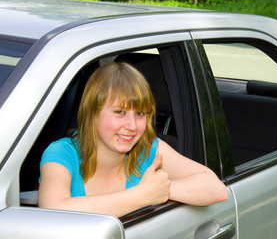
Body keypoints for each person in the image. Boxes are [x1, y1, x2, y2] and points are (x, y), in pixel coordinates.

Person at [38, 62, 228, 217]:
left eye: (140, 114)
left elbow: (216, 189)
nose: (132, 125)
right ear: (92, 113)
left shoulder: (148, 150)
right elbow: (52, 208)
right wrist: (142, 195)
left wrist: (161, 189)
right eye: (120, 112)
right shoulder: (62, 153)